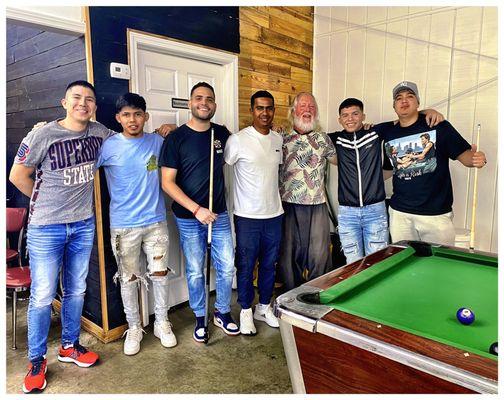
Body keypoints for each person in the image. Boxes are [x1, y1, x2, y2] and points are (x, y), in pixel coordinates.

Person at [9, 81, 108, 393]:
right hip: (46, 228)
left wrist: (163, 131)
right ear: (65, 102)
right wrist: (44, 206)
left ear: (94, 106)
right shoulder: (43, 133)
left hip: (82, 225)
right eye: (77, 98)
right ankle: (37, 359)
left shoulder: (100, 133)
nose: (83, 103)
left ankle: (69, 346)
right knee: (42, 295)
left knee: (76, 290)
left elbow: (127, 142)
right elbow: (17, 175)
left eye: (89, 100)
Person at [96, 93, 177, 356]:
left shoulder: (158, 141)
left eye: (138, 114)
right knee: (128, 279)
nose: (133, 120)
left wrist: (174, 128)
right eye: (127, 115)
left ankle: (162, 322)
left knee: (159, 273)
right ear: (119, 118)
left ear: (146, 116)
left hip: (155, 222)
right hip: (123, 226)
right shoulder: (107, 146)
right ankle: (133, 327)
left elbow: (183, 139)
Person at [159, 82, 239, 342]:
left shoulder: (222, 135)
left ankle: (223, 312)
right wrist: (196, 209)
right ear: (190, 103)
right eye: (198, 98)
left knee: (226, 266)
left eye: (209, 99)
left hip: (220, 215)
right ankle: (200, 316)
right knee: (195, 270)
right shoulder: (176, 138)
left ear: (214, 105)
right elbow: (167, 182)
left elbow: (243, 149)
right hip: (189, 217)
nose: (204, 103)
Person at [329, 98, 444, 263]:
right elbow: (311, 137)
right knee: (352, 263)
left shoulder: (376, 132)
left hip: (375, 211)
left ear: (363, 116)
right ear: (339, 119)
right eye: (345, 115)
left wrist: (428, 111)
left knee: (376, 261)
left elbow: (404, 118)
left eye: (355, 114)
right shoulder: (335, 139)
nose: (350, 118)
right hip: (347, 214)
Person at [382, 81, 487, 245]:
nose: (404, 101)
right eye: (399, 98)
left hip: (435, 215)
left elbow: (466, 157)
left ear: (418, 102)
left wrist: (477, 159)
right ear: (394, 106)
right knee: (404, 262)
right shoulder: (389, 134)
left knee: (438, 265)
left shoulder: (438, 126)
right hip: (400, 214)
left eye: (410, 96)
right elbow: (389, 170)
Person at [224, 90, 283, 335]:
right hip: (247, 216)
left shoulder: (278, 139)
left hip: (275, 214)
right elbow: (223, 170)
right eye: (260, 108)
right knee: (246, 266)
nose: (265, 113)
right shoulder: (237, 140)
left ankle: (264, 306)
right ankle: (246, 311)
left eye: (269, 108)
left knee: (270, 265)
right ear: (252, 110)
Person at [278, 92, 338, 291]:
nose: (307, 110)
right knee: (289, 254)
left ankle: (316, 294)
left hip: (317, 203)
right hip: (288, 203)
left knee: (319, 254)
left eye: (312, 107)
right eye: (303, 106)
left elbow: (341, 160)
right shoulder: (280, 138)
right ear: (294, 110)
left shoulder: (323, 139)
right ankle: (292, 296)